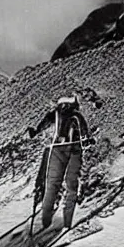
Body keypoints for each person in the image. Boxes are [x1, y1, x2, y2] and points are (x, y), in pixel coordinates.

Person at [28, 94, 96, 230]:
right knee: (71, 186)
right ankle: (67, 224)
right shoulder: (76, 115)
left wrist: (35, 132)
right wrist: (87, 140)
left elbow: (42, 126)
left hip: (56, 150)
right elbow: (83, 133)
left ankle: (45, 222)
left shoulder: (55, 114)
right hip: (73, 151)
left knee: (52, 185)